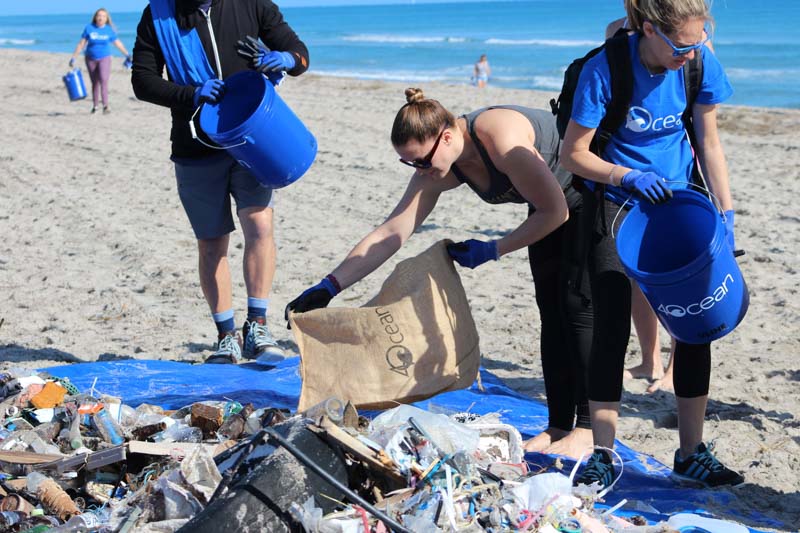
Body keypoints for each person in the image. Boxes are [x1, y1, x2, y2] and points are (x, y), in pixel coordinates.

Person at [286, 88, 595, 459]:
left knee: (576, 309)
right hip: (550, 206)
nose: (421, 171)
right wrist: (329, 285)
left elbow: (556, 211)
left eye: (422, 161)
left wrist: (493, 249)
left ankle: (587, 429)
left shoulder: (499, 135)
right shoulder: (442, 159)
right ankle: (559, 425)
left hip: (591, 196)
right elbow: (391, 232)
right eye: (410, 164)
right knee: (551, 312)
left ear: (446, 136)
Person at [560, 0, 744, 488]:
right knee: (612, 324)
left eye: (698, 41)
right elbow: (573, 153)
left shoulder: (700, 61)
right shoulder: (606, 70)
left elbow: (709, 141)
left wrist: (725, 212)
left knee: (694, 325)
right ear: (648, 30)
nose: (690, 52)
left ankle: (691, 452)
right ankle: (602, 451)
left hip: (682, 202)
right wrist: (628, 175)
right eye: (681, 45)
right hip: (619, 206)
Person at [131, 0, 309, 364]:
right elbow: (142, 81)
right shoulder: (158, 15)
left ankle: (257, 325)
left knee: (259, 225)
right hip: (195, 142)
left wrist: (285, 60)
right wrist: (191, 93)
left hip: (252, 136)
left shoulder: (252, 4)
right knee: (212, 243)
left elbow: (299, 54)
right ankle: (226, 335)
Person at [607, 4, 714, 393]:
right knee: (640, 277)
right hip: (631, 184)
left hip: (681, 179)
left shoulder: (692, 42)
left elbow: (704, 126)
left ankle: (673, 367)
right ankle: (648, 359)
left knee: (680, 281)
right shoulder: (616, 32)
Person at [69, 8, 131, 114]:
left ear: (106, 18)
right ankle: (95, 106)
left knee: (103, 80)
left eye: (103, 16)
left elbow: (117, 43)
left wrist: (127, 54)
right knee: (95, 83)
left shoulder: (108, 30)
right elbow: (81, 44)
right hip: (90, 58)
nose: (100, 17)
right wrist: (73, 58)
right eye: (99, 15)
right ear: (95, 17)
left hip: (105, 58)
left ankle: (106, 106)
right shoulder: (89, 28)